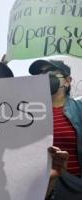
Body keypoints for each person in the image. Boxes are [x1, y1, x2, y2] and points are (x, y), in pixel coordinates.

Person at [29, 60, 82, 200]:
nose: (44, 77)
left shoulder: (80, 108)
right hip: (38, 188)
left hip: (73, 189)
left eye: (50, 73)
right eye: (40, 74)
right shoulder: (28, 112)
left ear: (67, 81)